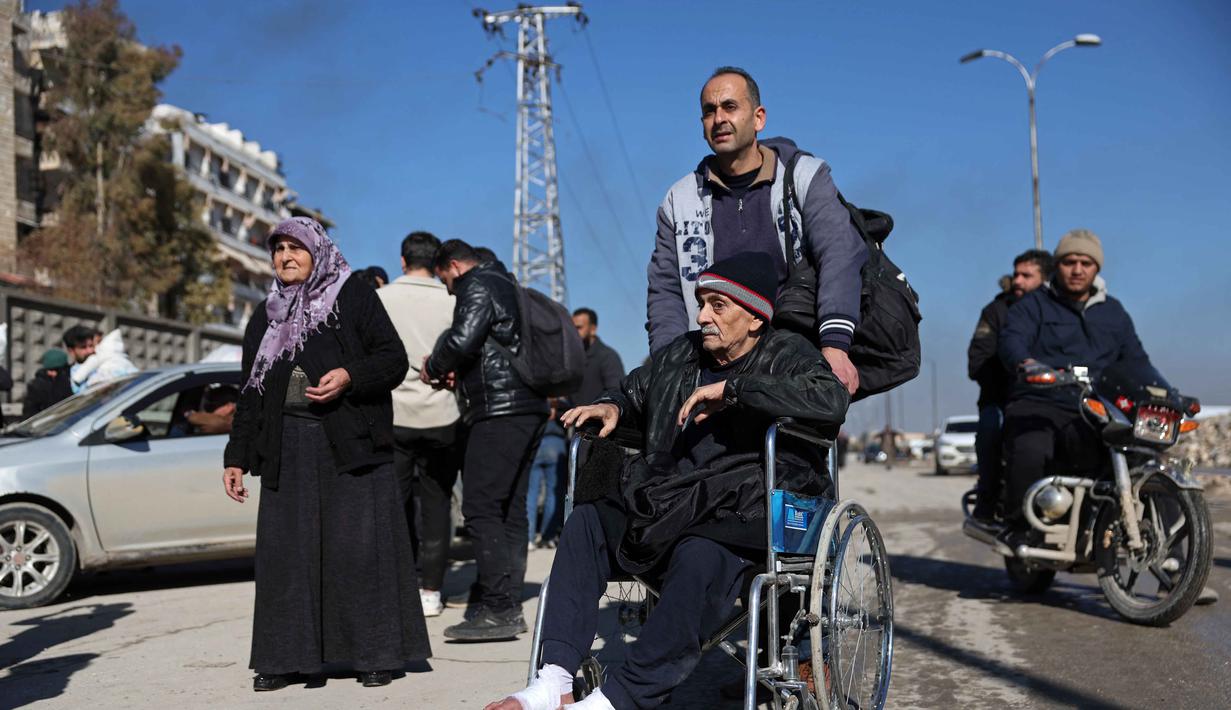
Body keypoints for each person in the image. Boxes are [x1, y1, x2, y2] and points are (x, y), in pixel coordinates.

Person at [484, 252, 849, 710]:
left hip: (749, 506)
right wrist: (612, 407)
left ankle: (620, 699)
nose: (702, 316)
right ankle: (554, 680)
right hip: (675, 496)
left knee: (699, 553)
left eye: (718, 306)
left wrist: (736, 392)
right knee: (587, 524)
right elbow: (633, 391)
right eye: (702, 303)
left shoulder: (788, 353)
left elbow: (831, 399)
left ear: (755, 318)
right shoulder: (682, 353)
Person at [222, 216, 429, 692]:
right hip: (286, 447)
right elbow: (250, 393)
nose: (286, 257)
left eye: (296, 248)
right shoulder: (266, 315)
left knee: (358, 552)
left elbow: (392, 359)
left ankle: (374, 655)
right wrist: (236, 456)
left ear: (318, 251)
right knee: (286, 557)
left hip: (348, 442)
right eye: (279, 250)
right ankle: (283, 659)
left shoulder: (352, 295)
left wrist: (349, 376)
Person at [646, 66, 867, 396]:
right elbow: (665, 291)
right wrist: (670, 366)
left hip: (793, 361)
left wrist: (835, 345)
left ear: (759, 118)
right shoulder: (679, 200)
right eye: (709, 111)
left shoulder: (804, 178)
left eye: (730, 107)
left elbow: (839, 254)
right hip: (711, 364)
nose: (719, 118)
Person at [422, 239, 550, 641]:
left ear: (454, 266)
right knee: (510, 507)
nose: (447, 289)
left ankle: (498, 607)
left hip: (499, 409)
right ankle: (507, 600)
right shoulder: (508, 283)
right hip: (528, 406)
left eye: (444, 280)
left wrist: (434, 366)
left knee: (479, 506)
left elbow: (462, 340)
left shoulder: (476, 284)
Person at [377, 230, 462, 618]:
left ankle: (395, 584)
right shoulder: (452, 298)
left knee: (392, 505)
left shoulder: (380, 299)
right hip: (443, 415)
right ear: (437, 261)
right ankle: (431, 590)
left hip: (394, 415)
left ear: (401, 260)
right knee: (437, 504)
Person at [967, 249, 1052, 523]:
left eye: (1027, 275)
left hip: (1050, 399)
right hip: (1001, 398)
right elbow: (977, 360)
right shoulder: (996, 310)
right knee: (991, 429)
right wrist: (1016, 377)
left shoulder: (1055, 311)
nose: (1018, 280)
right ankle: (987, 498)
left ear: (1045, 278)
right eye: (1016, 274)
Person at [526, 400, 567, 549]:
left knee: (531, 493)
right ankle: (548, 536)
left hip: (536, 443)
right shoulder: (561, 402)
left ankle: (528, 538)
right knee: (553, 493)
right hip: (556, 443)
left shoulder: (535, 397)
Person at [570, 308, 624, 406]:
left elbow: (616, 394)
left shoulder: (608, 357)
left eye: (579, 327)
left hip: (597, 420)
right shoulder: (572, 358)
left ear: (593, 329)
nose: (574, 332)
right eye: (572, 328)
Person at [71, 328, 138, 391]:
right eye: (84, 347)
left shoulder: (111, 356)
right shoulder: (77, 370)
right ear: (72, 350)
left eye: (91, 346)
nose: (91, 350)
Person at [22, 350, 73, 418]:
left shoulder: (71, 380)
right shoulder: (37, 386)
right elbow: (29, 413)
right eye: (50, 370)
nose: (53, 373)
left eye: (56, 370)